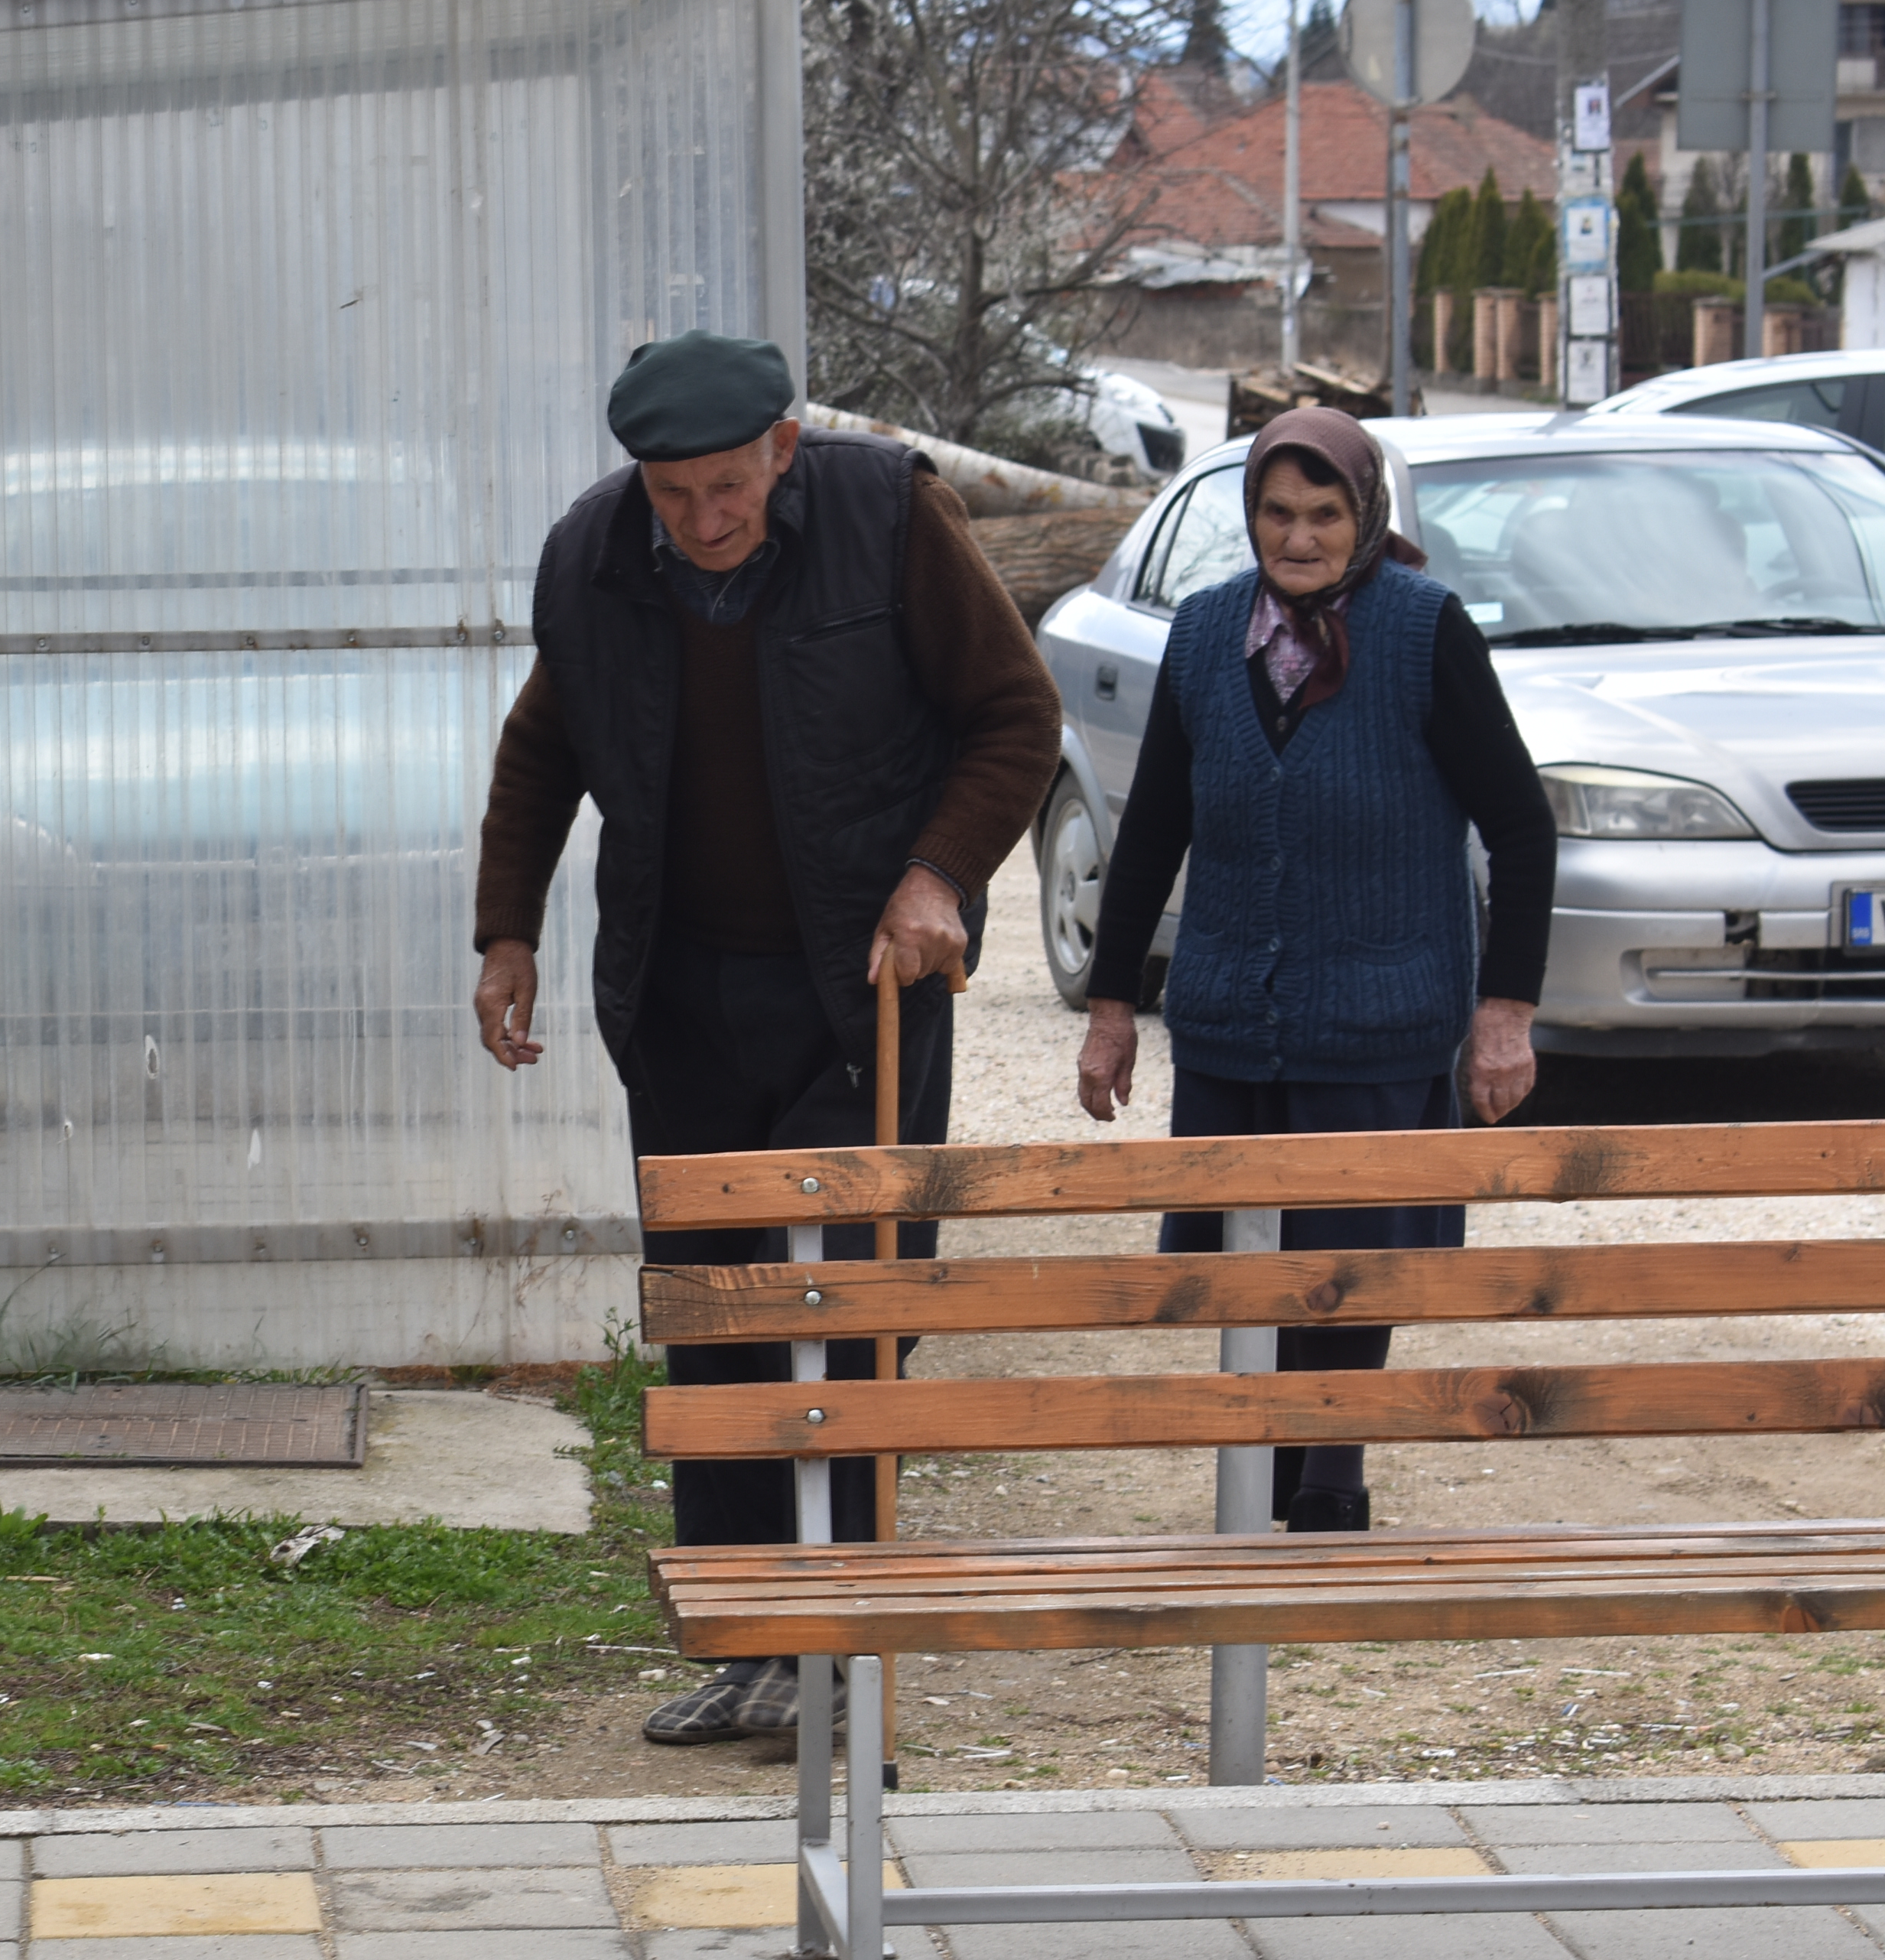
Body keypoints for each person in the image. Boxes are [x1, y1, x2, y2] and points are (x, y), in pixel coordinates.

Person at [472, 330, 1063, 1742]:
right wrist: (509, 929)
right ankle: (749, 1637)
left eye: (728, 488)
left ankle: (844, 1636)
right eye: (674, 497)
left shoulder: (889, 515)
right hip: (682, 998)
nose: (704, 521)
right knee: (715, 1317)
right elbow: (546, 744)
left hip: (858, 992)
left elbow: (1014, 716)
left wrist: (938, 879)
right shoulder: (596, 558)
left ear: (782, 451)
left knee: (846, 1315)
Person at [1074, 407, 1557, 1531]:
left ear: (1365, 515)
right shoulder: (1201, 636)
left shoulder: (1422, 629)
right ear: (1249, 517)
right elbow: (1149, 833)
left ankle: (1330, 1473)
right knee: (1243, 1269)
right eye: (1277, 514)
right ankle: (1259, 1466)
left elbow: (1522, 829)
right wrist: (1109, 1008)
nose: (1298, 538)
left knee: (1352, 1264)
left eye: (1324, 514)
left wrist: (1506, 1013)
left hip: (1380, 1015)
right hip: (1232, 1016)